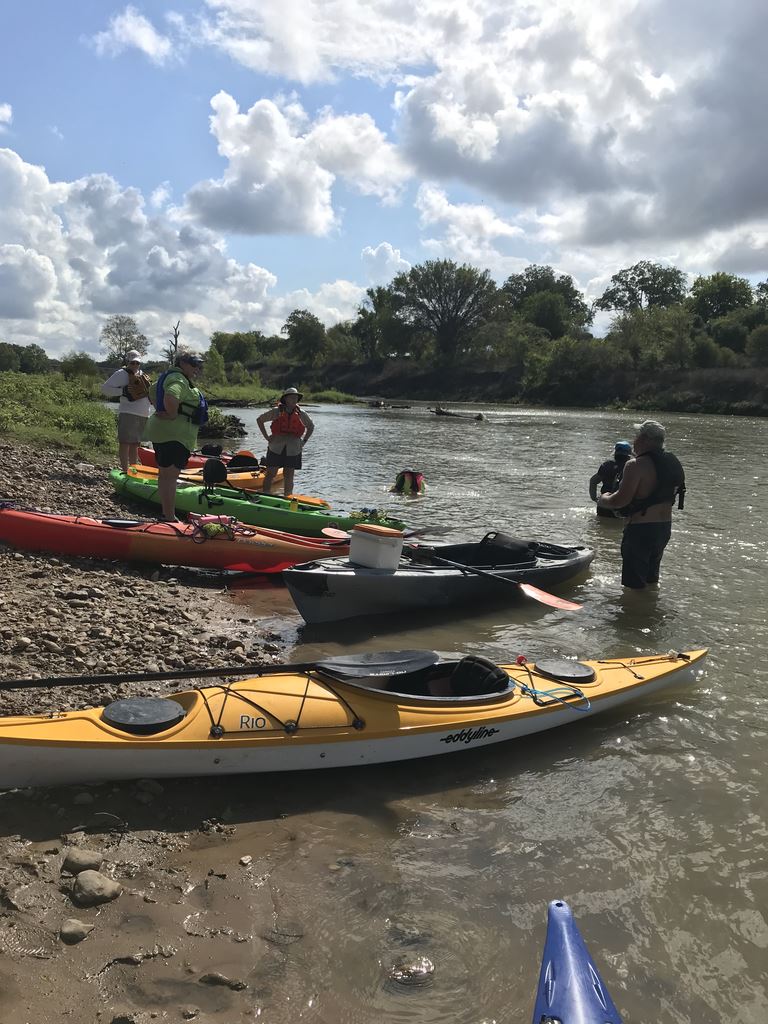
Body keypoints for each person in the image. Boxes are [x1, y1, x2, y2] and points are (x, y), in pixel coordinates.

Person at [598, 420, 686, 589]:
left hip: (641, 529)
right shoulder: (674, 463)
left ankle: (633, 614)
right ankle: (649, 612)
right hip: (664, 528)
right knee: (651, 582)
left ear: (645, 439)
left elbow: (619, 501)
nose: (634, 440)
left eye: (637, 436)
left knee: (633, 587)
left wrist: (603, 499)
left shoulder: (635, 465)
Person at [142, 351, 207, 522]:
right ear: (182, 363)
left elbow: (151, 390)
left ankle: (166, 513)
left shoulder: (168, 376)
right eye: (194, 364)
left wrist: (159, 408)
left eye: (198, 365)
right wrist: (171, 413)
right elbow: (171, 395)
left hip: (161, 432)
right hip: (175, 435)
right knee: (170, 477)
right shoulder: (178, 380)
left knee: (165, 475)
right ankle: (169, 517)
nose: (197, 368)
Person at [256, 387, 314, 497]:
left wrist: (304, 442)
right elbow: (260, 420)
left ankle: (287, 497)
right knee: (271, 473)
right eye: (291, 397)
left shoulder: (301, 414)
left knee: (289, 475)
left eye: (296, 397)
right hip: (276, 446)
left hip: (293, 448)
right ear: (285, 399)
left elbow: (311, 427)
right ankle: (266, 495)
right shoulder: (276, 411)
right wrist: (266, 437)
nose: (294, 399)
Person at [101, 350, 152, 472]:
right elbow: (105, 389)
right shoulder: (121, 373)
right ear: (128, 362)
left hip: (143, 413)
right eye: (132, 363)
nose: (135, 365)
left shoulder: (142, 374)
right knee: (125, 443)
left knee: (135, 444)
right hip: (128, 412)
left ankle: (133, 470)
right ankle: (125, 470)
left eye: (137, 363)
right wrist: (123, 391)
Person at [589, 440, 633, 518]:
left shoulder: (607, 465)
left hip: (604, 504)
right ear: (629, 455)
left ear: (615, 453)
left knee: (601, 527)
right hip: (622, 506)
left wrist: (595, 498)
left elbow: (593, 481)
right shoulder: (631, 467)